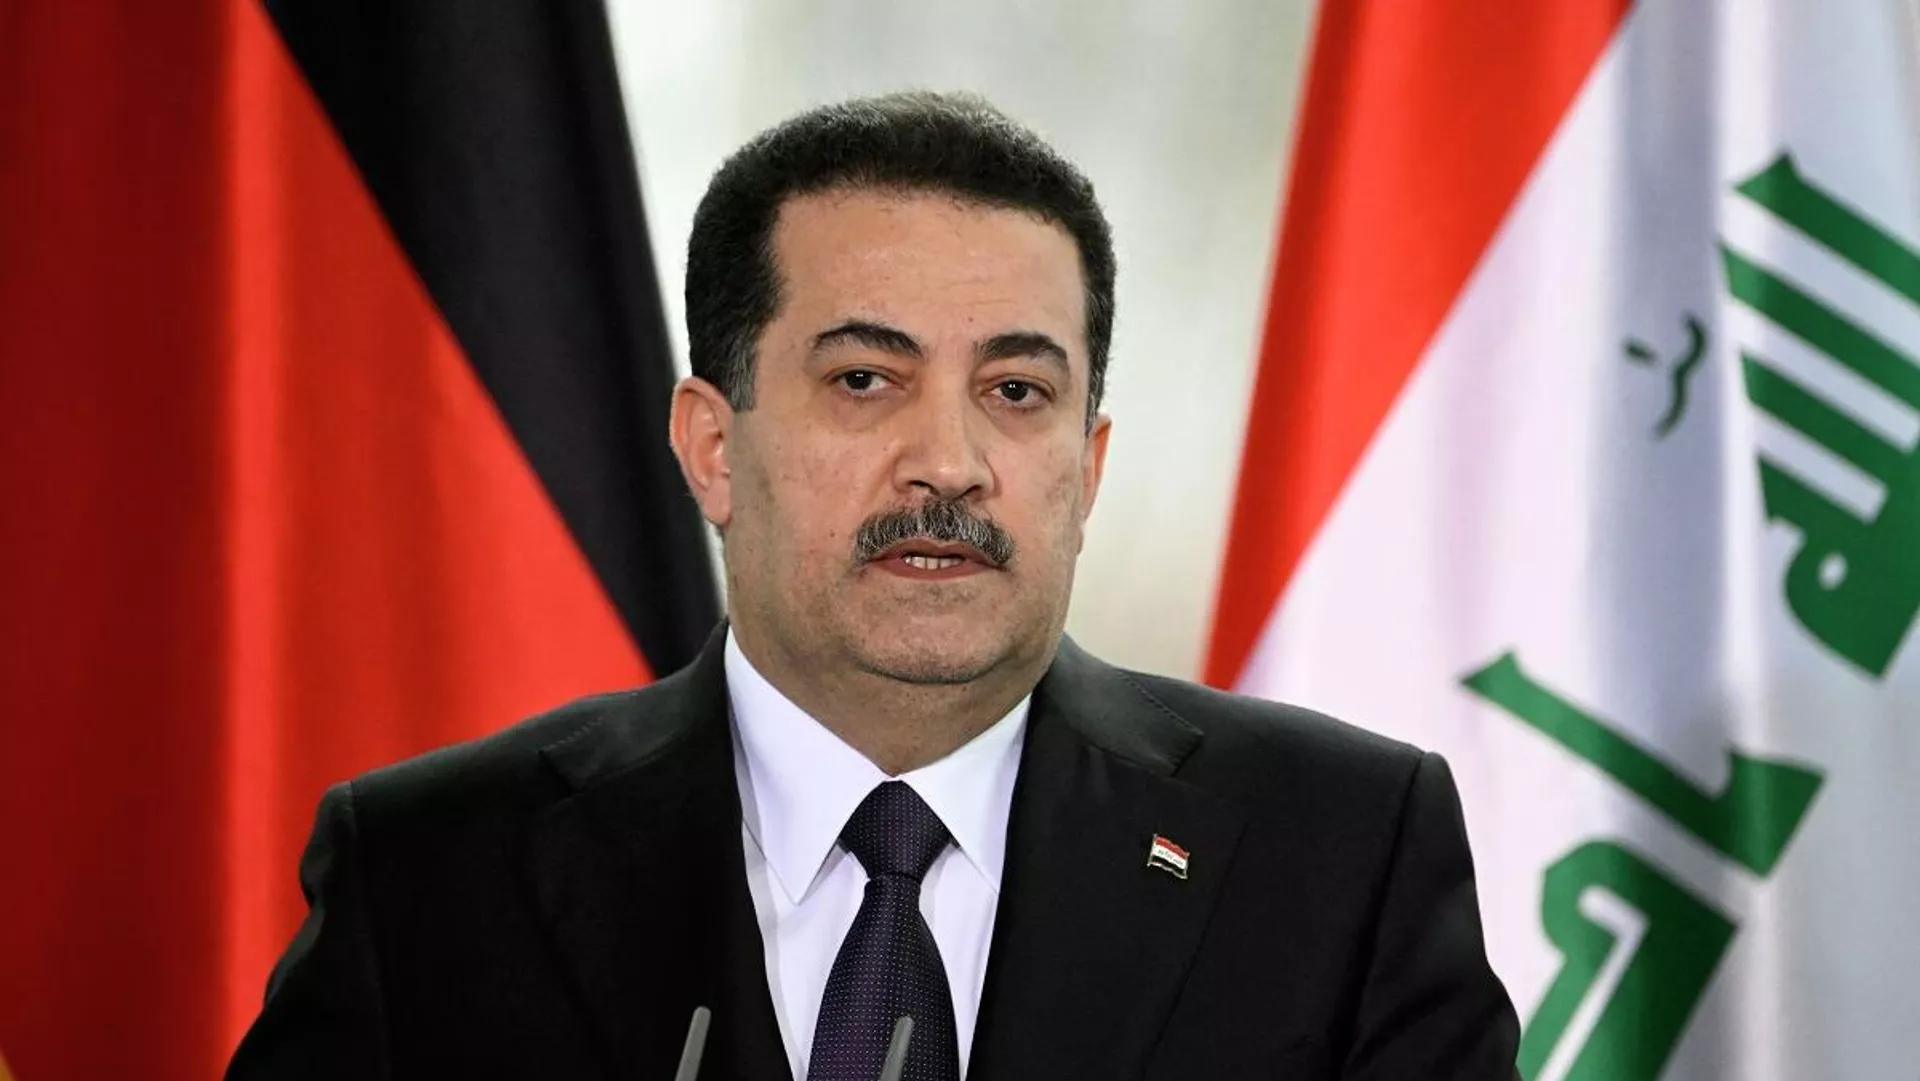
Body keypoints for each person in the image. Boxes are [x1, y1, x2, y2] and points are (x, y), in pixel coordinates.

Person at [227, 91, 1519, 1081]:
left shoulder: (1335, 855)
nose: (949, 461)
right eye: (864, 380)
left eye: (1017, 392)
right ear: (712, 448)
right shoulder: (434, 878)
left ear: (1087, 467)